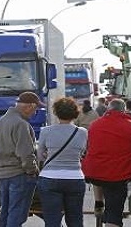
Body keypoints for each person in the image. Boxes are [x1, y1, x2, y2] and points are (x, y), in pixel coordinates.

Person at [82, 98, 131, 227]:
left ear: (108, 109)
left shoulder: (95, 124)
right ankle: (111, 220)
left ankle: (99, 202)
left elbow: (89, 146)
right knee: (115, 211)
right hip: (119, 174)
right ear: (124, 111)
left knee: (99, 177)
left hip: (95, 172)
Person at [0, 91, 41, 227]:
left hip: (2, 174)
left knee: (5, 211)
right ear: (29, 106)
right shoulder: (21, 124)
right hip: (20, 174)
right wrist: (32, 170)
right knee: (17, 213)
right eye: (35, 109)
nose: (35, 113)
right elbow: (26, 153)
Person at [37, 97, 88, 227]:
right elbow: (83, 153)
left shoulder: (46, 131)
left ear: (56, 112)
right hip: (75, 178)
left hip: (50, 178)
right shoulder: (82, 132)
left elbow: (40, 156)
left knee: (52, 220)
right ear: (75, 113)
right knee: (75, 219)